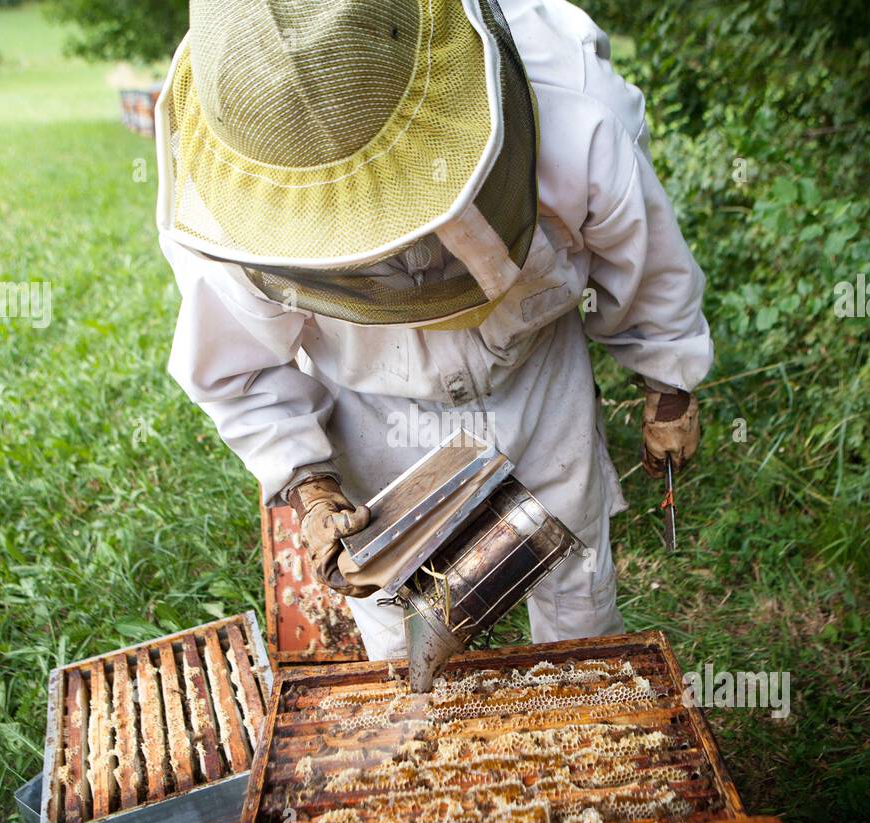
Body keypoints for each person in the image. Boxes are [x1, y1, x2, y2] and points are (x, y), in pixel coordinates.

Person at [156, 0, 712, 659]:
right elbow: (236, 367)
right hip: (375, 408)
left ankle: (581, 702)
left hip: (536, 372)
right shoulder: (227, 206)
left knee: (574, 581)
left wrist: (668, 380)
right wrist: (310, 483)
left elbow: (642, 255)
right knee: (399, 619)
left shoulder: (572, 110)